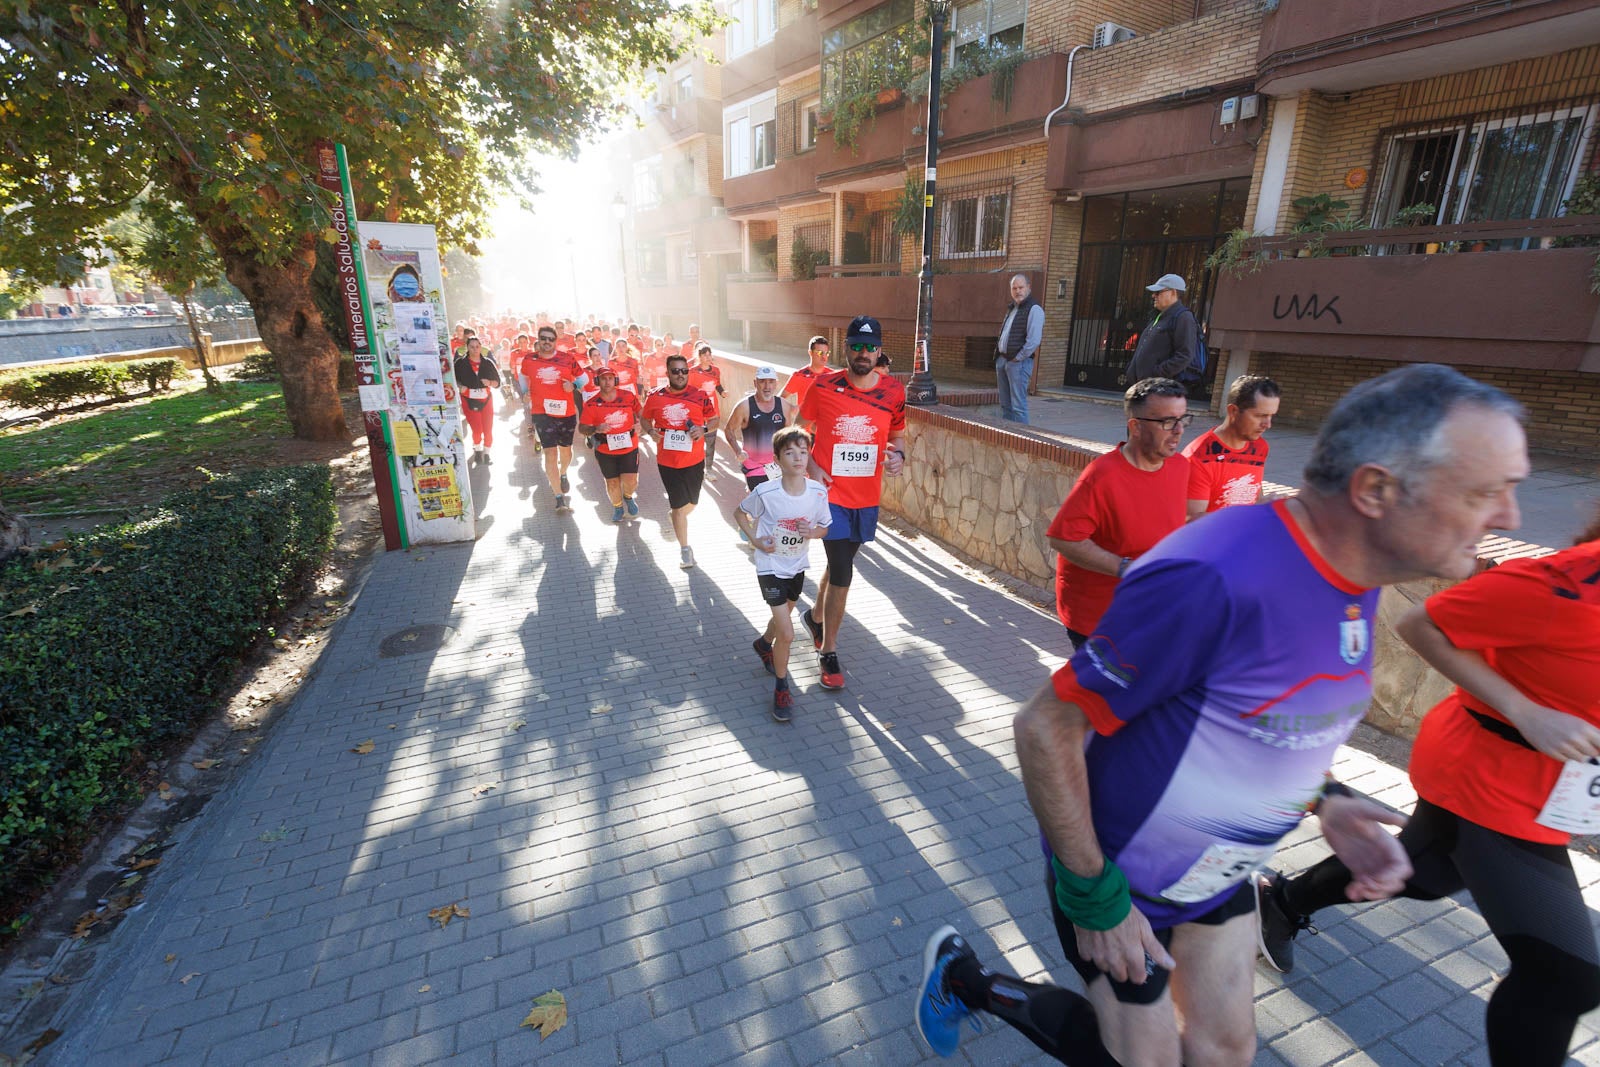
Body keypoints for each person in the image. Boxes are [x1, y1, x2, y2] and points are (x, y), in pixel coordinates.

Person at [914, 363, 1531, 1066]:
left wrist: (1325, 798)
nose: (1510, 516)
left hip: (1216, 872)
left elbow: (1269, 711)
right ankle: (966, 979)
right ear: (1376, 489)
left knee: (1225, 1053)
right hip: (1124, 880)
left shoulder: (1357, 576)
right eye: (1487, 491)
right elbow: (1045, 726)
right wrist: (1094, 896)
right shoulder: (1220, 573)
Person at [1254, 505, 1600, 1066]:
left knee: (1424, 875)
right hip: (1487, 780)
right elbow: (1420, 623)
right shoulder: (1565, 587)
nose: (1510, 512)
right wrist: (1526, 710)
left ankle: (1284, 901)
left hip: (1552, 789)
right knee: (1565, 980)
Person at [796, 315, 906, 690]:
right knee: (842, 571)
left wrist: (898, 457)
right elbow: (799, 430)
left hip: (866, 499)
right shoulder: (823, 386)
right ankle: (828, 651)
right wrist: (811, 465)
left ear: (879, 350)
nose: (862, 353)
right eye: (855, 346)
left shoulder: (894, 391)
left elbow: (899, 437)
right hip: (830, 496)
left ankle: (814, 616)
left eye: (869, 346)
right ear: (845, 348)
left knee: (840, 561)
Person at [1046, 377, 1191, 650]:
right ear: (1135, 426)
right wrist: (1127, 568)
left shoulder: (1180, 467)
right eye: (1168, 422)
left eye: (1183, 419)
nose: (1179, 430)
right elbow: (1064, 538)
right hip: (1099, 620)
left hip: (1150, 609)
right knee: (1098, 691)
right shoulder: (1103, 475)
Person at [735, 426, 833, 723]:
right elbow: (739, 513)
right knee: (788, 633)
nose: (798, 457)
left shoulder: (817, 491)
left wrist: (812, 532)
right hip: (770, 566)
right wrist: (754, 540)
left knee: (781, 624)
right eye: (790, 452)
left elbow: (824, 527)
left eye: (803, 452)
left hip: (797, 566)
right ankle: (781, 687)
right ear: (777, 459)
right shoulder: (766, 492)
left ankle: (764, 644)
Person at [641, 354, 715, 569]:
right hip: (668, 461)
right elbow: (645, 418)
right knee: (678, 505)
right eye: (676, 371)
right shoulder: (655, 396)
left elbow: (714, 418)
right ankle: (685, 549)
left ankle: (676, 515)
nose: (680, 375)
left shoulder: (699, 395)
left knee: (691, 504)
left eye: (684, 371)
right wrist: (649, 430)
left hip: (694, 459)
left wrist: (703, 429)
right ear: (668, 373)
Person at [1182, 375, 1281, 521]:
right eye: (1260, 416)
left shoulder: (1260, 447)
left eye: (1271, 416)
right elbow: (1192, 521)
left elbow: (1254, 493)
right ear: (1233, 411)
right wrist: (1254, 511)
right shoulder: (1199, 457)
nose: (1268, 424)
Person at [519, 326, 580, 512]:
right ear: (538, 340)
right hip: (541, 413)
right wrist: (524, 392)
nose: (547, 342)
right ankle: (559, 498)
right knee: (550, 454)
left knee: (566, 452)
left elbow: (585, 379)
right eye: (543, 338)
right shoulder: (529, 359)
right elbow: (522, 377)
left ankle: (563, 473)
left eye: (550, 339)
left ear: (555, 341)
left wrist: (574, 385)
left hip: (566, 412)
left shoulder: (567, 359)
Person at [576, 366, 644, 523]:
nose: (607, 382)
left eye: (610, 378)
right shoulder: (592, 404)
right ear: (597, 381)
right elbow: (582, 428)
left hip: (629, 446)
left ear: (616, 380)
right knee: (612, 482)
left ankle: (628, 496)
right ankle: (618, 507)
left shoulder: (628, 396)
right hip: (605, 449)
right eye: (603, 378)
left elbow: (642, 414)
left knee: (631, 480)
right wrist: (596, 428)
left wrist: (641, 424)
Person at [723, 365, 792, 490]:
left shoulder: (784, 406)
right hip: (754, 468)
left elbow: (789, 435)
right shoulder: (744, 406)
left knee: (778, 505)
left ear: (776, 384)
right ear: (755, 383)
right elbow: (729, 429)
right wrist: (738, 450)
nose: (767, 386)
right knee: (761, 504)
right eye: (762, 381)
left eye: (771, 381)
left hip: (778, 467)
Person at [1125, 273, 1198, 384]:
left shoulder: (1183, 317)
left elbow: (1185, 355)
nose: (1153, 295)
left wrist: (1156, 374)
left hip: (1158, 389)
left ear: (1173, 292)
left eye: (1158, 292)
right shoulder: (1160, 315)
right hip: (1142, 387)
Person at [996, 274, 1044, 424]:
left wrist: (1017, 358)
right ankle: (1009, 437)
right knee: (1006, 405)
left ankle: (1023, 440)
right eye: (1014, 288)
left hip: (1018, 363)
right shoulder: (1012, 308)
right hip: (1003, 360)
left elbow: (1033, 341)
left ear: (1028, 288)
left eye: (1021, 287)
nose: (1017, 291)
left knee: (1018, 407)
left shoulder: (1034, 309)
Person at [452, 336, 501, 463]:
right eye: (472, 347)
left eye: (477, 346)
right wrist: (459, 386)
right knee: (477, 429)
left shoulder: (487, 362)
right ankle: (478, 449)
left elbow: (497, 382)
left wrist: (489, 382)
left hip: (486, 400)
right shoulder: (460, 363)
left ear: (481, 347)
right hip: (469, 399)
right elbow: (452, 379)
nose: (475, 349)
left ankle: (487, 453)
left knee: (488, 430)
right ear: (467, 347)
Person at [687, 342, 727, 473]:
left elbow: (718, 385)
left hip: (712, 411)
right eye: (705, 355)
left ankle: (708, 468)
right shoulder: (693, 371)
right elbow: (688, 391)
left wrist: (722, 392)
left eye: (710, 355)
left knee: (711, 441)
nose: (708, 358)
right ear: (699, 356)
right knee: (696, 441)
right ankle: (695, 466)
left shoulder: (716, 370)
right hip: (697, 411)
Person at [782, 336, 832, 406]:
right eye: (820, 353)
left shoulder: (833, 376)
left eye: (826, 353)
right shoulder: (799, 375)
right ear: (810, 353)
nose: (824, 357)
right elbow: (780, 399)